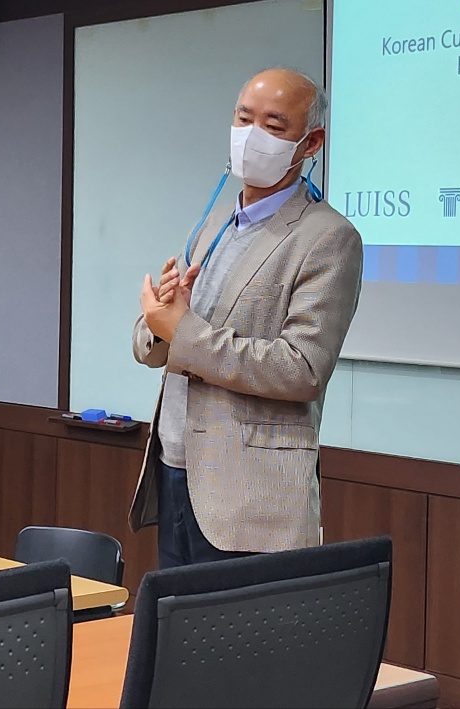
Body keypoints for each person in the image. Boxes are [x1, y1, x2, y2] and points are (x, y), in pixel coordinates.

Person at [129, 68, 364, 568]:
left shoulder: (327, 238)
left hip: (250, 496)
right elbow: (163, 338)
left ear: (311, 143)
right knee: (176, 620)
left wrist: (182, 331)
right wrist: (157, 324)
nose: (252, 136)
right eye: (243, 119)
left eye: (274, 126)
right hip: (174, 471)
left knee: (235, 622)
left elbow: (302, 369)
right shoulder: (215, 220)